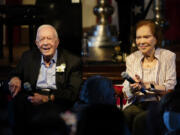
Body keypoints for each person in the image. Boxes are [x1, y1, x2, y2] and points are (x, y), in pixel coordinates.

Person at [8, 24, 82, 135]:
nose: (45, 43)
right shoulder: (28, 57)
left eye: (49, 38)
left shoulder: (72, 61)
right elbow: (15, 73)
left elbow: (73, 93)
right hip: (32, 98)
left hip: (56, 100)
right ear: (37, 44)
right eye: (41, 39)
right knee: (15, 105)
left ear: (57, 42)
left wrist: (47, 98)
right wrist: (15, 78)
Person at [122, 19, 177, 135]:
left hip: (159, 104)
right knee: (124, 115)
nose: (141, 42)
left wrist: (148, 85)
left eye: (146, 37)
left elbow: (170, 88)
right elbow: (126, 90)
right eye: (138, 37)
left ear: (156, 39)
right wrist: (133, 87)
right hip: (138, 103)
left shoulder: (168, 57)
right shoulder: (132, 59)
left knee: (140, 120)